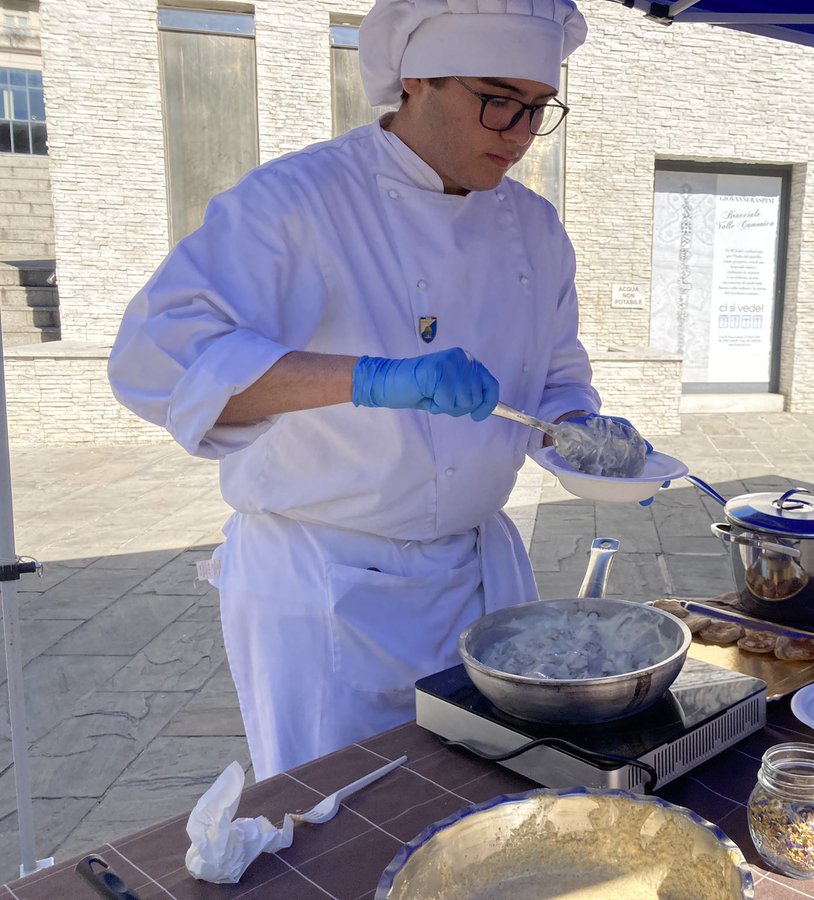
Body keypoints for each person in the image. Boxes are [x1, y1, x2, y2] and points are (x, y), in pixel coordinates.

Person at [108, 0, 642, 779]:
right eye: (496, 100)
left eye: (537, 108)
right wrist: (369, 379)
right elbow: (157, 359)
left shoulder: (534, 227)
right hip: (328, 588)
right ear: (417, 80)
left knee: (482, 802)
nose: (520, 134)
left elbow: (557, 371)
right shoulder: (297, 202)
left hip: (477, 576)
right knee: (341, 826)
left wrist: (581, 430)